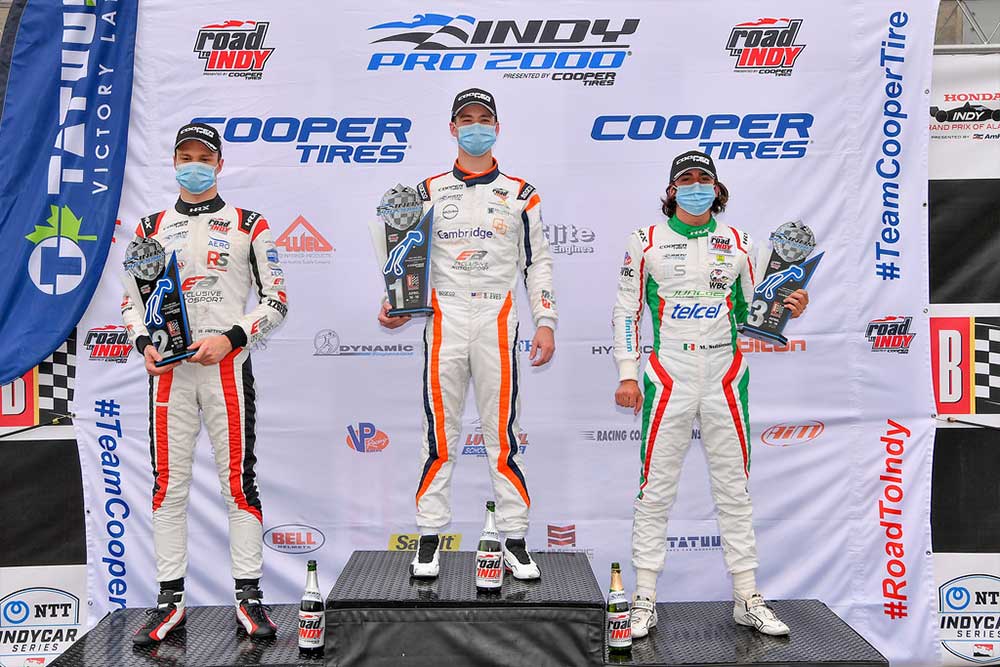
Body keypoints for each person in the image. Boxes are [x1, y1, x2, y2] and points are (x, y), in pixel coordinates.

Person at [611, 150, 808, 638]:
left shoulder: (739, 242)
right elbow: (626, 310)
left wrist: (791, 305)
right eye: (687, 179)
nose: (696, 186)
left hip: (725, 373)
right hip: (669, 373)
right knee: (655, 489)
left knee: (734, 490)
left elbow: (757, 311)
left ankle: (747, 597)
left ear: (717, 190)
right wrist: (628, 373)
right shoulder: (645, 240)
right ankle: (644, 598)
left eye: (704, 179)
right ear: (672, 190)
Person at [378, 88, 557, 580]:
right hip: (445, 315)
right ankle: (429, 535)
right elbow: (405, 255)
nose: (475, 126)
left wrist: (545, 321)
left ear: (496, 128)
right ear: (453, 128)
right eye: (467, 119)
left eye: (484, 119)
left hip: (498, 314)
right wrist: (396, 303)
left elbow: (537, 262)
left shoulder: (521, 193)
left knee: (502, 433)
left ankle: (514, 537)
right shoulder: (426, 191)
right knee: (440, 432)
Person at [122, 123, 288, 645]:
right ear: (174, 162)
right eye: (185, 156)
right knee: (168, 486)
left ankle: (249, 598)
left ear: (219, 163)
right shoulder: (150, 227)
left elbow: (277, 301)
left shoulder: (249, 224)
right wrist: (143, 342)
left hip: (226, 369)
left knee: (238, 483)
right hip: (170, 375)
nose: (193, 164)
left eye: (203, 157)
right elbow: (131, 303)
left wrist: (232, 337)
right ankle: (169, 602)